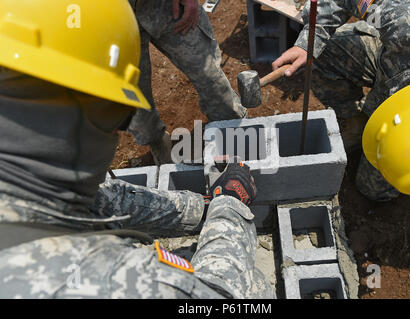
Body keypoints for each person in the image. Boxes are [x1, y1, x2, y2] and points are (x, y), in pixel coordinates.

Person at [0, 0, 274, 299]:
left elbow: (103, 201)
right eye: (118, 116)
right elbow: (218, 299)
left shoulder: (26, 174)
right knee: (258, 288)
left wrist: (206, 207)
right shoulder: (87, 278)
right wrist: (231, 205)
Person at [272, 0, 410, 201]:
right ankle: (356, 123)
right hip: (400, 54)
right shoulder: (401, 17)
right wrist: (309, 43)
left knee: (373, 189)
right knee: (323, 51)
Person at [126, 0, 248, 164]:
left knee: (212, 81)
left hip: (165, 6)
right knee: (137, 110)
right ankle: (160, 146)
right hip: (111, 19)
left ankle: (234, 128)